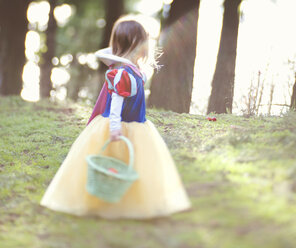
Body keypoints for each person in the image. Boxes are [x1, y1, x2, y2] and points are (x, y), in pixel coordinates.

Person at [40, 17, 191, 219]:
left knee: (133, 163)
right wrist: (114, 127)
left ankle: (129, 202)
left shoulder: (136, 71)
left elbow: (137, 78)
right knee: (111, 160)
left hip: (138, 125)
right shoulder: (121, 73)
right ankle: (100, 200)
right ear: (134, 44)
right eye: (143, 41)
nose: (147, 45)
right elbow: (116, 104)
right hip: (117, 125)